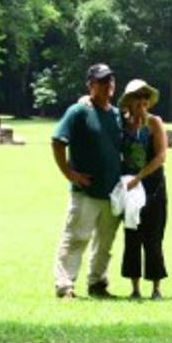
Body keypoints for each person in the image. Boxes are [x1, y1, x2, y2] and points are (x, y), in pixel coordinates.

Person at [51, 63, 123, 299]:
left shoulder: (116, 114)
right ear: (90, 85)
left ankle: (98, 284)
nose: (108, 86)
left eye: (110, 81)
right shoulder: (79, 111)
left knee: (104, 244)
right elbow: (58, 141)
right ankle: (65, 286)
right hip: (86, 191)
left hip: (112, 192)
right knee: (76, 239)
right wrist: (69, 173)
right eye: (102, 81)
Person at [118, 79, 169, 300]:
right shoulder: (122, 124)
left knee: (154, 238)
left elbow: (161, 156)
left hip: (153, 187)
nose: (142, 101)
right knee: (132, 237)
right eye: (137, 97)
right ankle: (135, 288)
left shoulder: (154, 123)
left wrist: (139, 177)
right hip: (129, 190)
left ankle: (156, 288)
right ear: (128, 101)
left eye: (145, 97)